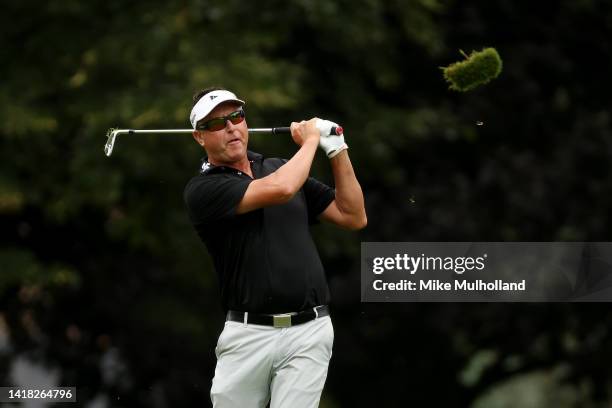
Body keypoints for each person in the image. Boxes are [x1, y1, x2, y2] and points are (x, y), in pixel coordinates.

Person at [183, 87, 367, 408]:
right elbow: (282, 189)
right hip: (247, 335)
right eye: (215, 124)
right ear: (199, 137)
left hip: (309, 332)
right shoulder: (204, 189)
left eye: (236, 117)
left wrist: (336, 148)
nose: (230, 127)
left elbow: (352, 215)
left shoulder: (276, 166)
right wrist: (311, 140)